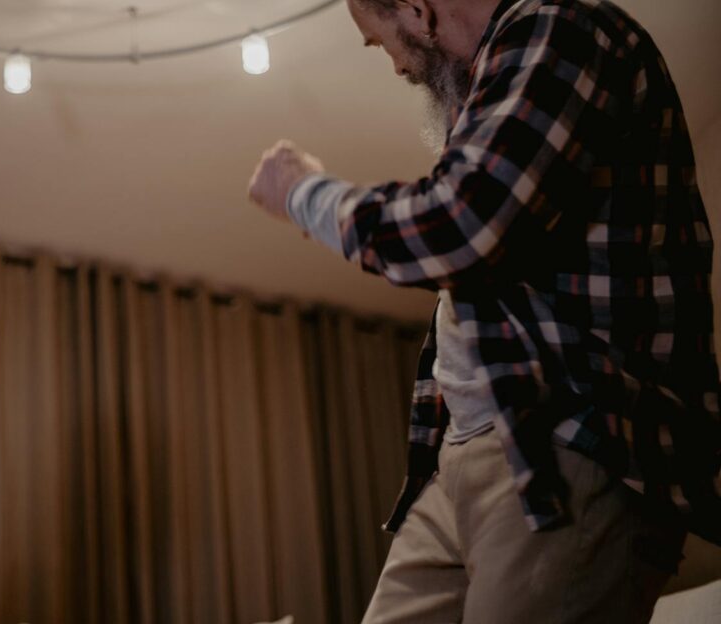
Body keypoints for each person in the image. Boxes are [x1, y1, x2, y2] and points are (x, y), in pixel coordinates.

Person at [248, 0, 721, 621]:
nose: (396, 68)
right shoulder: (495, 86)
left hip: (572, 439)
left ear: (416, 8)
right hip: (464, 454)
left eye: (379, 43)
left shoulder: (558, 25)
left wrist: (304, 194)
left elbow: (460, 225)